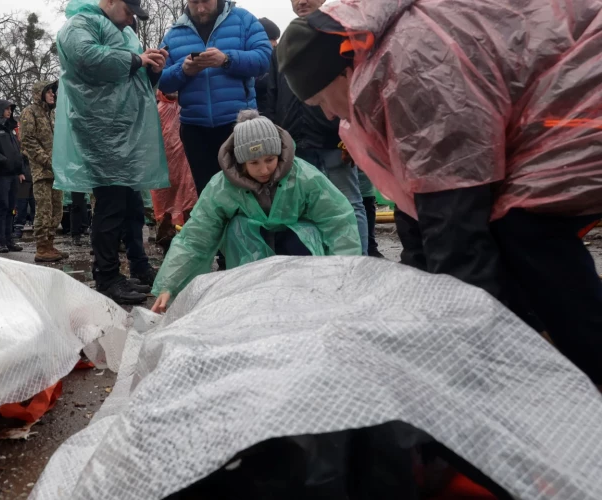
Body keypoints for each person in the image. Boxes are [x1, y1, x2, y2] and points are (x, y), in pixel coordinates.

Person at [275, 0, 602, 385]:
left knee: (524, 226)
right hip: (549, 98)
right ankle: (539, 348)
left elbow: (454, 222)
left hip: (581, 92)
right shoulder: (384, 65)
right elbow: (418, 208)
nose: (328, 116)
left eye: (319, 101)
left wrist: (469, 363)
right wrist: (419, 308)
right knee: (505, 232)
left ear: (343, 73)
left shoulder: (411, 65)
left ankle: (580, 367)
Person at [151, 110, 361, 312]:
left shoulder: (304, 177)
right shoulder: (222, 187)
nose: (264, 170)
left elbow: (338, 221)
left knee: (306, 233)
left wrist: (344, 274)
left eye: (270, 160)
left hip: (296, 245)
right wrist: (170, 284)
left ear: (279, 154)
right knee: (238, 228)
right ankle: (251, 299)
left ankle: (306, 298)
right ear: (241, 163)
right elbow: (196, 237)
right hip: (249, 249)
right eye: (254, 163)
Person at [53, 0, 171, 304]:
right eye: (129, 11)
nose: (132, 18)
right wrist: (136, 60)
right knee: (111, 205)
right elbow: (86, 57)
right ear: (110, 2)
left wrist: (152, 69)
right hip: (101, 131)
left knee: (131, 205)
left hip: (125, 132)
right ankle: (106, 277)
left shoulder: (123, 31)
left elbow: (136, 77)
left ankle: (139, 266)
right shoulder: (80, 24)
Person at [254, 1, 368, 255]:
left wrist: (349, 130)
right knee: (303, 209)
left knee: (348, 203)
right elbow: (269, 93)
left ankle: (359, 262)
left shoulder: (339, 39)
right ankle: (316, 266)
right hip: (294, 143)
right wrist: (274, 131)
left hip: (334, 141)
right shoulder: (283, 49)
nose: (301, 2)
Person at [158, 0, 272, 197]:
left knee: (247, 191)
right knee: (208, 194)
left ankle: (250, 228)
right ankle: (217, 228)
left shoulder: (244, 20)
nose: (201, 8)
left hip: (239, 124)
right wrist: (183, 70)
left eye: (206, 2)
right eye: (195, 2)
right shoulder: (175, 33)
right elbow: (162, 81)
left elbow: (263, 59)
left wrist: (226, 60)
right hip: (195, 130)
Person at [20, 81, 66, 263]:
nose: (52, 94)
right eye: (48, 91)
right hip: (42, 171)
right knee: (44, 210)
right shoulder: (29, 112)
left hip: (57, 171)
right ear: (39, 94)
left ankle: (50, 244)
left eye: (53, 92)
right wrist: (48, 162)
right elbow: (28, 141)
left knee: (57, 210)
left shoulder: (52, 113)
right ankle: (42, 247)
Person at [152, 91, 199, 252]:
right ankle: (167, 230)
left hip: (184, 125)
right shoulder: (161, 110)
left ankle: (184, 230)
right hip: (168, 158)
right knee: (168, 188)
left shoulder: (186, 109)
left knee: (188, 187)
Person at [0, 99, 26, 253]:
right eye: (7, 109)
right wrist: (2, 160)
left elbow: (16, 150)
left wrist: (19, 169)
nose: (9, 112)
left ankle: (9, 240)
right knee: (1, 208)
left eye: (10, 109)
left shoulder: (10, 128)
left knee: (10, 208)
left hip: (12, 174)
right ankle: (0, 241)